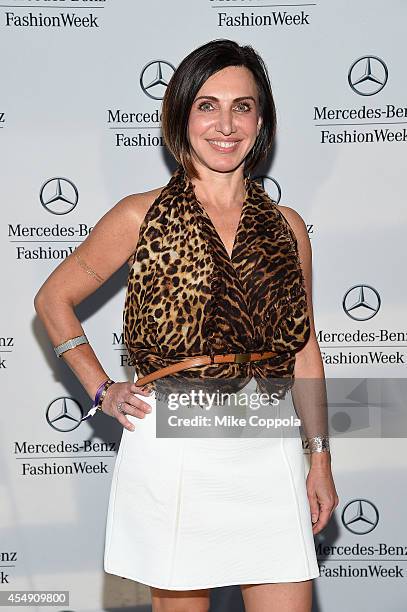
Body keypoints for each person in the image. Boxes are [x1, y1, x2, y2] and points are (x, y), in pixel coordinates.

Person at [34, 39, 339, 612]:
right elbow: (53, 298)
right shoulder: (139, 214)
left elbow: (304, 350)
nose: (226, 124)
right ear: (181, 115)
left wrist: (318, 460)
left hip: (267, 445)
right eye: (207, 105)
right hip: (173, 442)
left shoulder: (288, 228)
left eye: (243, 106)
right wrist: (100, 388)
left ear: (262, 120)